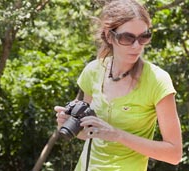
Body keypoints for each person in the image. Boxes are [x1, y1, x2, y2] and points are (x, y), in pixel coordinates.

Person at [54, 0, 183, 170]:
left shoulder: (158, 81)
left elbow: (174, 154)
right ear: (109, 36)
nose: (137, 45)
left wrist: (118, 135)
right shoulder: (93, 71)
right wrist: (69, 124)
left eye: (144, 36)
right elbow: (88, 134)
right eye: (127, 37)